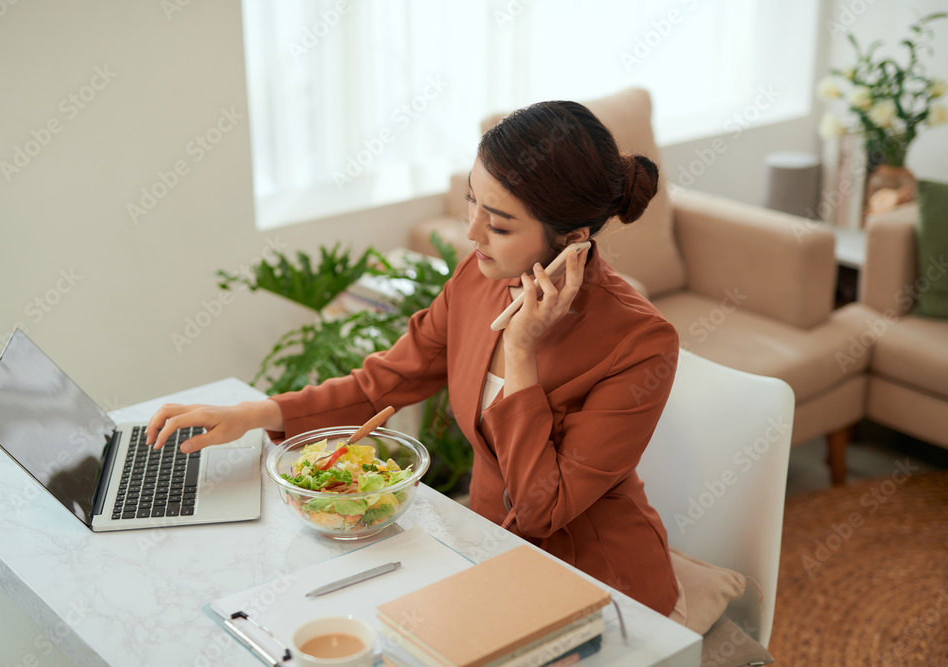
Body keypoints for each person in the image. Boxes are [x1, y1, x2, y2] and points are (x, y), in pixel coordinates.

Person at [147, 100, 680, 615]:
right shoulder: (479, 279)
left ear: (575, 237)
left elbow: (542, 509)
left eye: (498, 224)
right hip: (490, 550)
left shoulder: (639, 342)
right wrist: (252, 415)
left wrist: (521, 352)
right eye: (472, 201)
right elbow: (386, 381)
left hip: (599, 584)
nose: (472, 233)